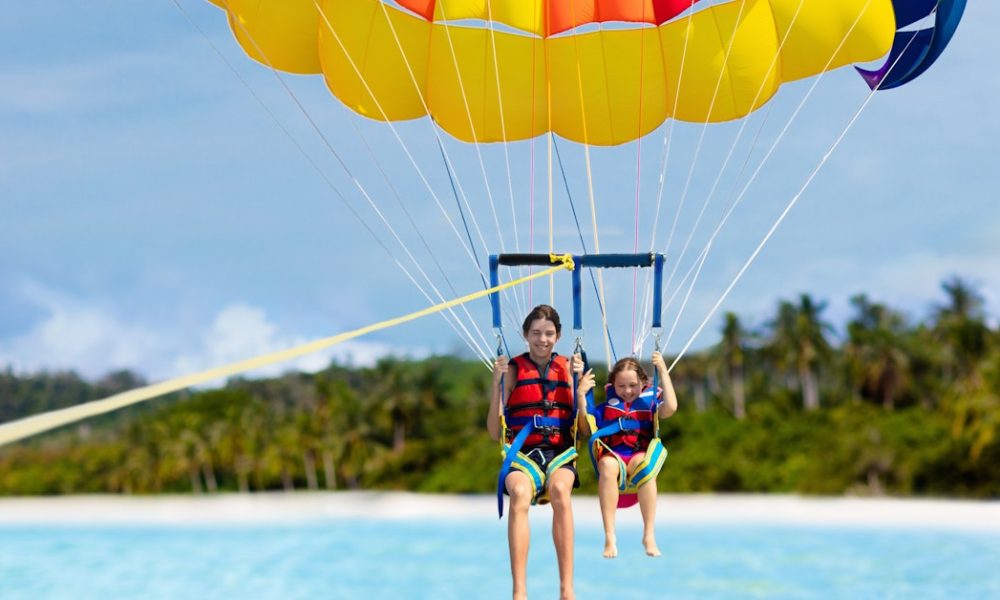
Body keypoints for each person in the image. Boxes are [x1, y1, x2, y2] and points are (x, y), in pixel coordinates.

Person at [487, 304, 585, 600]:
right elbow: (494, 431)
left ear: (559, 336)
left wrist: (580, 393)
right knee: (518, 494)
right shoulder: (513, 371)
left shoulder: (569, 369)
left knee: (559, 491)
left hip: (560, 454)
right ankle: (520, 591)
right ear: (525, 335)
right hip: (522, 455)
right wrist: (496, 385)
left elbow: (583, 431)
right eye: (536, 333)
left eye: (549, 333)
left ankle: (566, 589)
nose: (542, 339)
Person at [577, 352, 678, 558]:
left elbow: (671, 407)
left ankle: (649, 534)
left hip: (637, 458)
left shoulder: (650, 405)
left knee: (644, 464)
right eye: (621, 386)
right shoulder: (604, 408)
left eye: (632, 385)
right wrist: (580, 395)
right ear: (612, 385)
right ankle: (609, 536)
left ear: (643, 382)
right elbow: (585, 430)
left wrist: (663, 372)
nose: (627, 391)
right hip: (614, 458)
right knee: (607, 465)